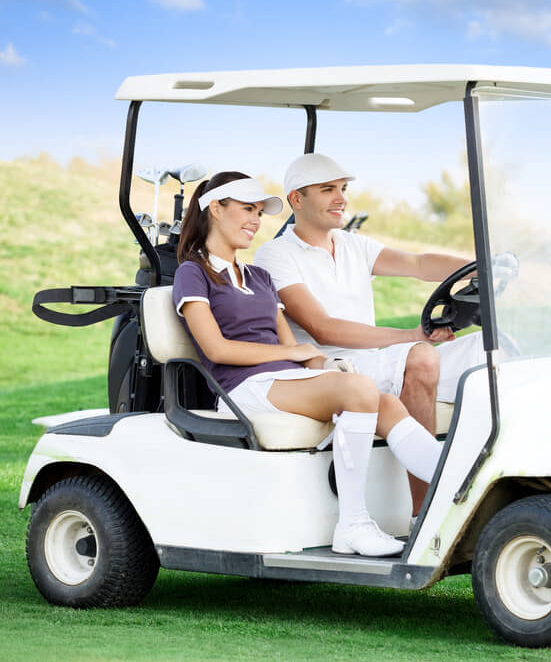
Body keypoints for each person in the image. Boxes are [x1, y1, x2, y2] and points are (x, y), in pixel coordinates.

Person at [172, 171, 443, 557]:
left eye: (259, 212)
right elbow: (216, 349)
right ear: (216, 208)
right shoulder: (193, 273)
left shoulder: (259, 276)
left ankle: (459, 487)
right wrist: (294, 355)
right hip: (241, 390)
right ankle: (352, 526)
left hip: (285, 382)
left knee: (387, 403)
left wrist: (323, 363)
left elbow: (293, 346)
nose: (255, 220)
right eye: (247, 209)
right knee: (361, 389)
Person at [253, 154, 487, 516]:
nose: (341, 198)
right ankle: (424, 515)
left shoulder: (352, 245)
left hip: (378, 359)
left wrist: (482, 266)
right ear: (297, 199)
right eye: (328, 189)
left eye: (343, 189)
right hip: (333, 369)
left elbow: (418, 264)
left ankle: (505, 485)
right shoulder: (275, 254)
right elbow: (322, 327)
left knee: (493, 353)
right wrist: (412, 336)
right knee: (421, 357)